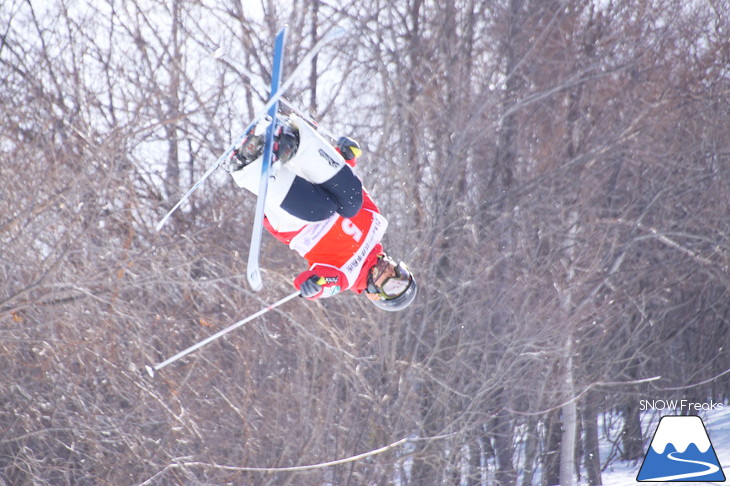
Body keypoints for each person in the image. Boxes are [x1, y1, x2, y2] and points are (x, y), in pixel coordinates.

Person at [222, 113, 417, 311]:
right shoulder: (377, 224)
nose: (392, 273)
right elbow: (352, 188)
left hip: (296, 220)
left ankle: (248, 163)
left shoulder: (345, 277)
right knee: (351, 203)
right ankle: (295, 141)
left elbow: (322, 284)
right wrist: (344, 156)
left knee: (321, 210)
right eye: (400, 274)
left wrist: (313, 286)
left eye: (393, 285)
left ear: (374, 294)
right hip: (309, 178)